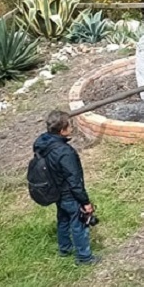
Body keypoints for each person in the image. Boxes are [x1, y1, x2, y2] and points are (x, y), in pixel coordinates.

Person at [32, 110, 98, 266]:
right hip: (68, 193)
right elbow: (74, 181)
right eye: (70, 126)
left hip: (54, 190)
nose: (72, 128)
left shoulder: (42, 143)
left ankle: (65, 248)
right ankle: (84, 257)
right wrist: (85, 202)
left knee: (63, 219)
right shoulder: (65, 152)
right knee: (79, 224)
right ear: (62, 131)